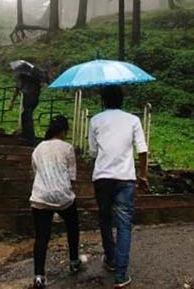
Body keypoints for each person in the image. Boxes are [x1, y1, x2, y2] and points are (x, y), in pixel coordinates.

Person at [88, 85, 149, 289]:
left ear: (104, 101)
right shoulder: (133, 120)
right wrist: (143, 175)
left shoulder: (95, 120)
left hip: (102, 178)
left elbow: (93, 152)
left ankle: (111, 259)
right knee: (124, 225)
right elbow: (142, 150)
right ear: (122, 100)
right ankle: (121, 275)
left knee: (105, 219)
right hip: (125, 178)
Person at [30, 116, 85, 289]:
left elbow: (34, 171)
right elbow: (71, 177)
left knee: (41, 236)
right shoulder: (67, 148)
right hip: (63, 196)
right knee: (73, 227)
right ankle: (74, 260)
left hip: (41, 196)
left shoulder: (38, 149)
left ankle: (39, 276)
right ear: (63, 131)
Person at [14, 73, 42, 144]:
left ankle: (30, 137)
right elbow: (39, 87)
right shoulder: (36, 76)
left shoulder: (22, 75)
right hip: (35, 98)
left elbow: (18, 87)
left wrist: (12, 100)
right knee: (25, 115)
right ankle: (26, 134)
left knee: (27, 116)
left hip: (28, 97)